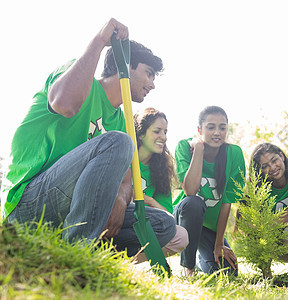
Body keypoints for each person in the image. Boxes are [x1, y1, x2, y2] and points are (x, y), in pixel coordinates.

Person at [3, 18, 181, 260]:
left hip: (75, 209)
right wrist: (99, 41)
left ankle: (84, 249)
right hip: (31, 202)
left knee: (164, 224)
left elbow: (127, 178)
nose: (152, 84)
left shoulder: (121, 120)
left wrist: (120, 196)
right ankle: (77, 255)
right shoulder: (76, 77)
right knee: (118, 142)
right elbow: (64, 105)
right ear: (125, 67)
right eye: (148, 74)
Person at [173, 106, 245, 276]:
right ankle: (188, 267)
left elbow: (227, 202)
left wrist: (219, 243)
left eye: (222, 127)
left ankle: (200, 260)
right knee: (194, 203)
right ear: (199, 130)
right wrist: (198, 149)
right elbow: (190, 190)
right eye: (211, 127)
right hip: (184, 218)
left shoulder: (234, 154)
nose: (217, 132)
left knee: (227, 272)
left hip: (209, 228)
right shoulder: (185, 146)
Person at [132, 107, 188, 261]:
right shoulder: (125, 157)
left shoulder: (161, 170)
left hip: (142, 223)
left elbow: (168, 216)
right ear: (141, 134)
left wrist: (147, 200)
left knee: (181, 236)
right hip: (116, 218)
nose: (163, 137)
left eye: (165, 132)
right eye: (157, 131)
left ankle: (126, 260)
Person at [249, 143, 288, 277]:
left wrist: (273, 221)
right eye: (265, 166)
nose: (272, 168)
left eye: (274, 160)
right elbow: (254, 225)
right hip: (275, 245)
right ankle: (266, 273)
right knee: (252, 232)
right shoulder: (259, 190)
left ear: (281, 156)